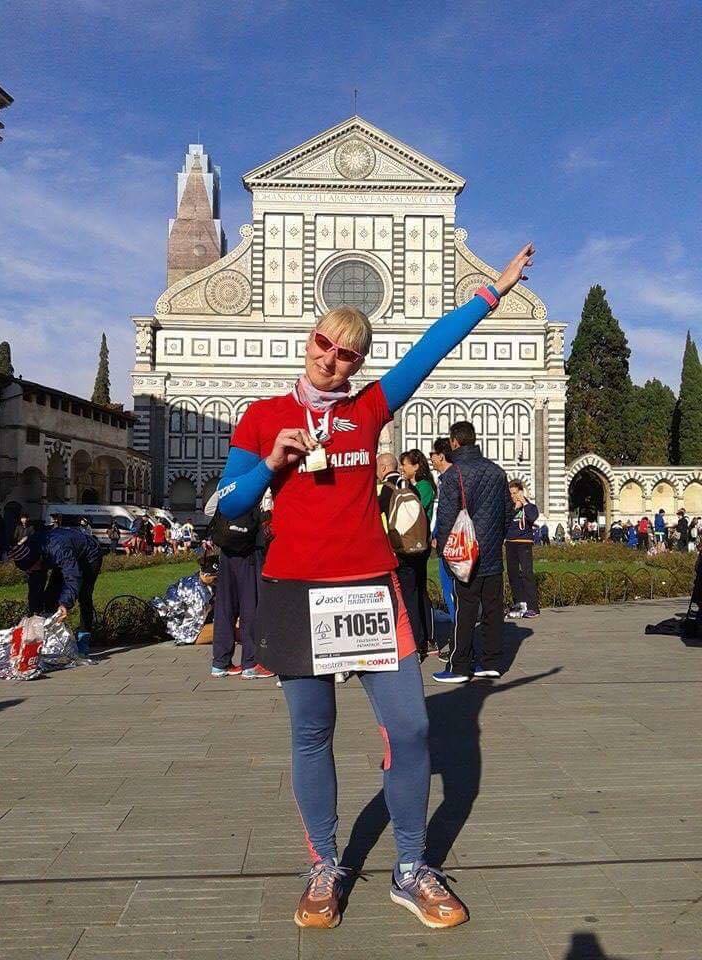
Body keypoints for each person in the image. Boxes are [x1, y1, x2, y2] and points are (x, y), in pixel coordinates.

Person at [215, 243, 535, 930]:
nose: (331, 361)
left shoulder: (369, 408)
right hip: (296, 590)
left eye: (347, 355)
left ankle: (411, 868)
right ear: (311, 340)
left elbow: (430, 348)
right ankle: (324, 865)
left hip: (368, 590)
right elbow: (229, 504)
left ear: (358, 364)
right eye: (324, 345)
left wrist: (492, 294)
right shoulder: (263, 416)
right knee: (312, 733)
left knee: (412, 728)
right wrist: (272, 463)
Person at [434, 419, 515, 685]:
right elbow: (508, 511)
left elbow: (446, 519)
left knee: (465, 609)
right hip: (492, 554)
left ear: (455, 442)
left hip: (466, 554)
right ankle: (491, 662)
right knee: (492, 608)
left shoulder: (453, 475)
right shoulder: (497, 472)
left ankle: (459, 665)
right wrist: (496, 538)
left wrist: (446, 552)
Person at [208, 504, 273, 679]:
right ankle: (250, 663)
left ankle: (220, 663)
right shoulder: (257, 488)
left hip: (227, 549)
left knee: (224, 607)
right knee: (250, 606)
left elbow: (209, 509)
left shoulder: (226, 490)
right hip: (251, 550)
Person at [377, 453, 432, 660]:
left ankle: (407, 645)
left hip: (398, 550)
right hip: (418, 549)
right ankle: (421, 642)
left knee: (401, 597)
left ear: (384, 468)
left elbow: (375, 518)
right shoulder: (411, 486)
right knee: (416, 594)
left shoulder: (385, 490)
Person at [8, 526, 104, 638]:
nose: (31, 571)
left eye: (32, 568)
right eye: (28, 570)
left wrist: (65, 604)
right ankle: (50, 634)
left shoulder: (58, 550)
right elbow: (35, 586)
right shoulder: (33, 552)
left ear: (37, 560)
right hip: (63, 555)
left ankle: (84, 636)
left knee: (84, 594)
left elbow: (72, 577)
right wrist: (34, 612)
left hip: (89, 554)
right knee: (51, 594)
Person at [505, 481, 540, 620]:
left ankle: (533, 607)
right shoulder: (508, 508)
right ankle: (519, 604)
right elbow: (504, 521)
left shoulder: (530, 506)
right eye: (511, 493)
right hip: (510, 543)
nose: (513, 496)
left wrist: (524, 502)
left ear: (521, 492)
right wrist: (515, 508)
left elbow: (533, 517)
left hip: (524, 543)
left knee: (527, 573)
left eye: (515, 493)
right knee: (513, 575)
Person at [429, 438, 455, 619]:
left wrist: (438, 535)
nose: (431, 457)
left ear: (441, 456)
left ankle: (456, 623)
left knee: (450, 586)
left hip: (450, 541)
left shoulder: (449, 479)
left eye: (433, 453)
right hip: (448, 538)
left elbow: (448, 513)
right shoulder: (447, 478)